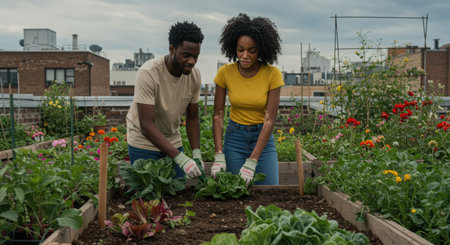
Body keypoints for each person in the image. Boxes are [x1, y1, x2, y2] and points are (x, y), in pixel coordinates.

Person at [211, 13, 284, 186]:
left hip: (263, 141)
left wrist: (253, 161)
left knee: (270, 190)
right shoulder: (225, 73)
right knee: (235, 195)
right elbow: (218, 114)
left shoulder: (272, 74)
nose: (244, 55)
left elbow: (269, 120)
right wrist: (219, 153)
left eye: (251, 51)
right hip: (234, 139)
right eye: (240, 50)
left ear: (261, 50)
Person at [126, 21, 205, 179]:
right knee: (150, 196)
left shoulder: (194, 75)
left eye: (196, 56)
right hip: (143, 142)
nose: (192, 61)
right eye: (186, 55)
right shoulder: (148, 73)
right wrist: (181, 159)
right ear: (172, 49)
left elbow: (193, 117)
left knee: (178, 194)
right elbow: (146, 125)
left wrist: (196, 153)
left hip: (172, 139)